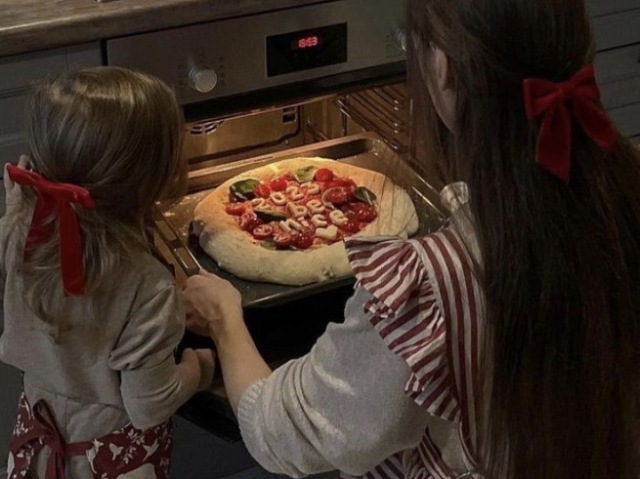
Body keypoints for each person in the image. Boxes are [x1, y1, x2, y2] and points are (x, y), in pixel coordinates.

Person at [181, 0, 640, 478]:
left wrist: (224, 319)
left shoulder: (430, 285)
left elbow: (288, 432)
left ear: (440, 68)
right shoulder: (623, 195)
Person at [0, 67, 215, 479]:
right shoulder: (147, 286)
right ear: (154, 178)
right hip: (111, 463)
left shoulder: (18, 237)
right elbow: (149, 404)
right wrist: (198, 368)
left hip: (37, 448)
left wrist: (16, 211)